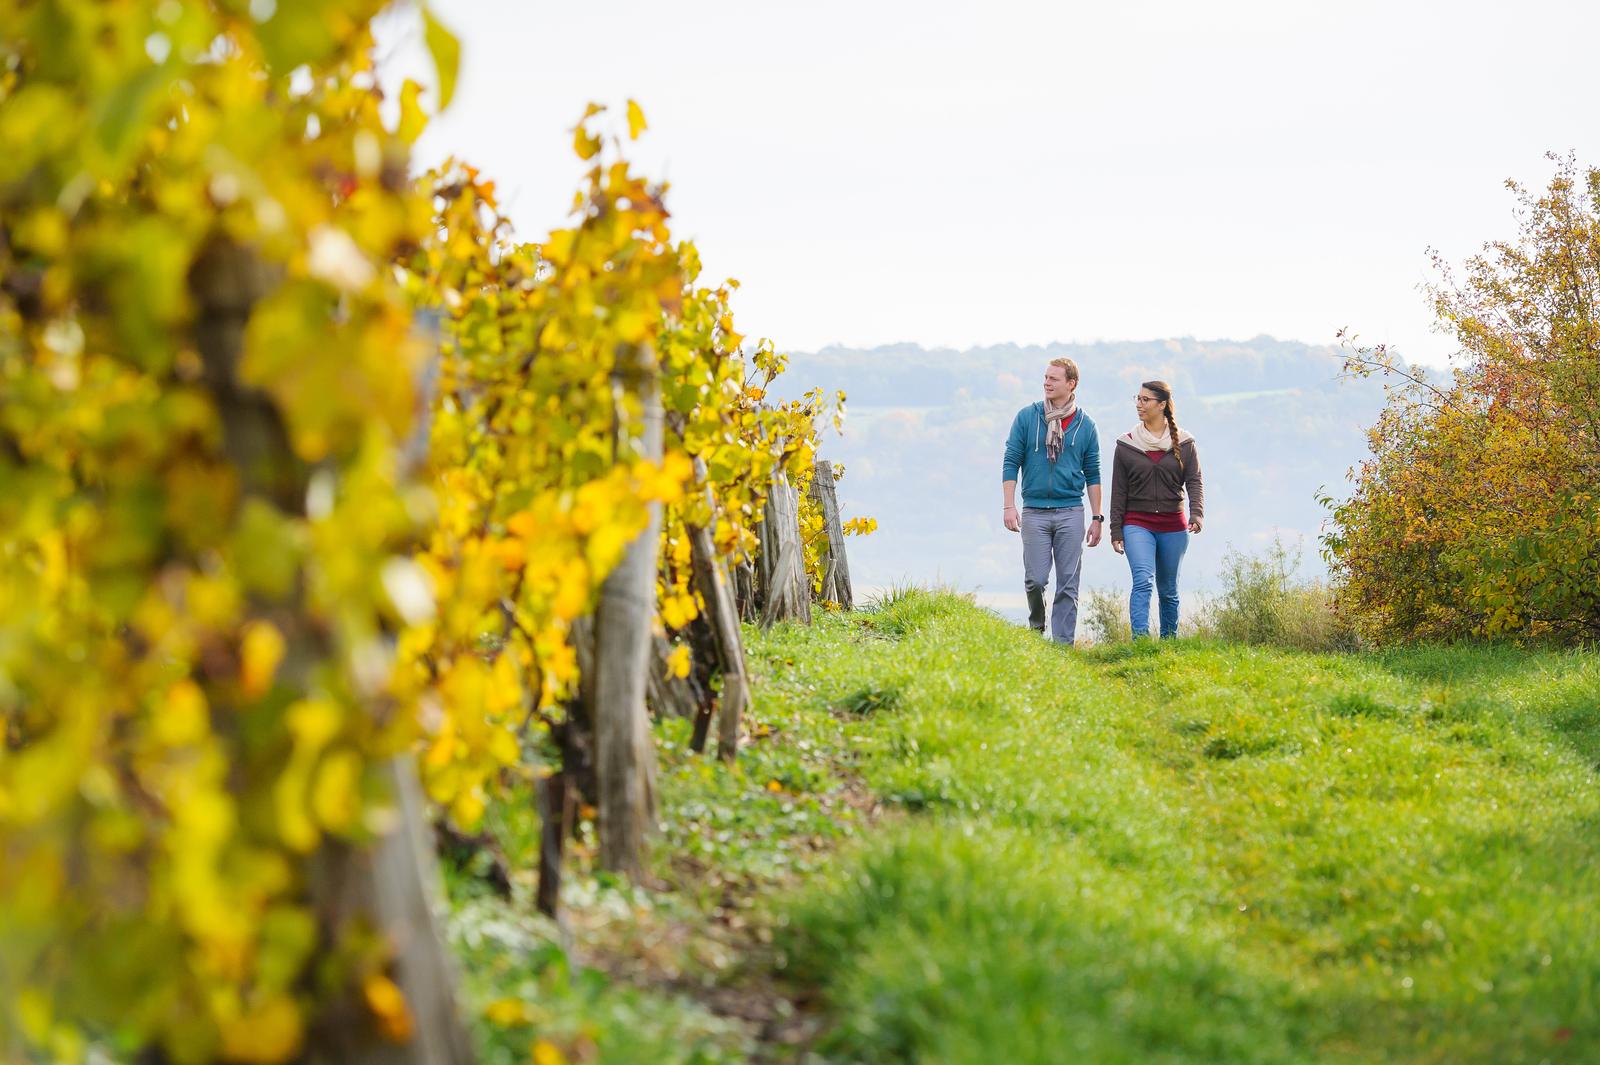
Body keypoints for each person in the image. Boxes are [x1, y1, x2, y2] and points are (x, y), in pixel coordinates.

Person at [1001, 358, 1103, 643]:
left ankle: (1062, 646)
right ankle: (1036, 628)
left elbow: (1093, 472)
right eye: (1045, 377)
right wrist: (1009, 506)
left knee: (1068, 582)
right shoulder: (1026, 417)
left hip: (1071, 509)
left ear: (1071, 384)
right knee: (1035, 580)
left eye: (1054, 379)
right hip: (1034, 510)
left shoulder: (1086, 425)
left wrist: (1097, 518)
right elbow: (1011, 461)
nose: (1047, 383)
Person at [1108, 379, 1204, 639]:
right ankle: (1141, 642)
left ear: (1161, 405)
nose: (1139, 404)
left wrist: (1196, 514)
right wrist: (1116, 530)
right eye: (1137, 398)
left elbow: (1194, 480)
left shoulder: (1184, 443)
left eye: (1145, 400)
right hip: (1137, 523)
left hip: (1173, 525)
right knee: (1142, 581)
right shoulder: (1126, 445)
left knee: (1169, 589)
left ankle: (1168, 642)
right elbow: (1118, 491)